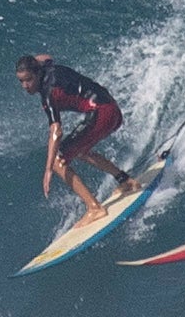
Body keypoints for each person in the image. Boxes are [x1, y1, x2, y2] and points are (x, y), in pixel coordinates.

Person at [16, 54, 134, 224]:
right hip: (111, 108)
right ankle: (126, 181)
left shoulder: (48, 94)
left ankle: (95, 208)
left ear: (37, 74)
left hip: (101, 114)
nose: (25, 86)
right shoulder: (47, 67)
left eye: (28, 80)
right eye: (21, 81)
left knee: (58, 160)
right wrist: (31, 61)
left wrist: (49, 168)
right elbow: (46, 56)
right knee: (80, 150)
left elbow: (56, 131)